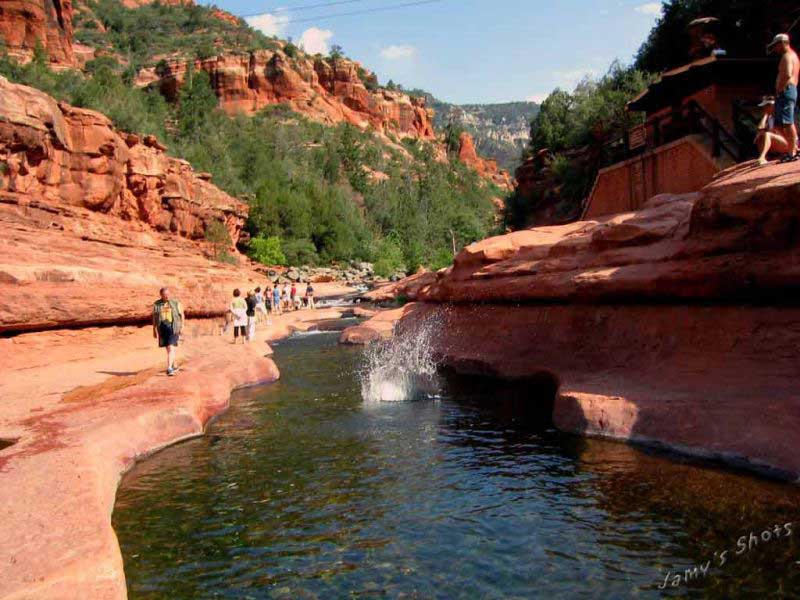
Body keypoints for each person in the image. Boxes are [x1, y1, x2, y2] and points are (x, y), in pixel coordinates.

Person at [768, 33, 799, 162]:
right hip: (788, 91)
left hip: (786, 90)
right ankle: (794, 148)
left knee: (787, 123)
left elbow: (787, 74)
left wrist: (779, 90)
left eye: (776, 45)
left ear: (783, 43)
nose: (775, 48)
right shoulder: (793, 56)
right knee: (780, 124)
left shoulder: (787, 56)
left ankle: (792, 152)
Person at [152, 287, 184, 376]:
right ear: (161, 295)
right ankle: (174, 365)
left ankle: (169, 368)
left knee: (170, 348)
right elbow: (154, 317)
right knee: (169, 349)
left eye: (168, 294)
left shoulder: (175, 302)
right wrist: (154, 329)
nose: (167, 296)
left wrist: (182, 326)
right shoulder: (157, 304)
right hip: (162, 328)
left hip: (173, 327)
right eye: (165, 295)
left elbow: (182, 314)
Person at [755, 97, 791, 165]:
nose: (764, 108)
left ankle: (762, 157)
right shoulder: (770, 117)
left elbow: (785, 132)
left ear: (772, 106)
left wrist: (771, 132)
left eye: (766, 106)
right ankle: (765, 156)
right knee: (759, 135)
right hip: (778, 141)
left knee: (767, 134)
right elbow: (760, 128)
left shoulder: (781, 115)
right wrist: (765, 115)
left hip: (788, 143)